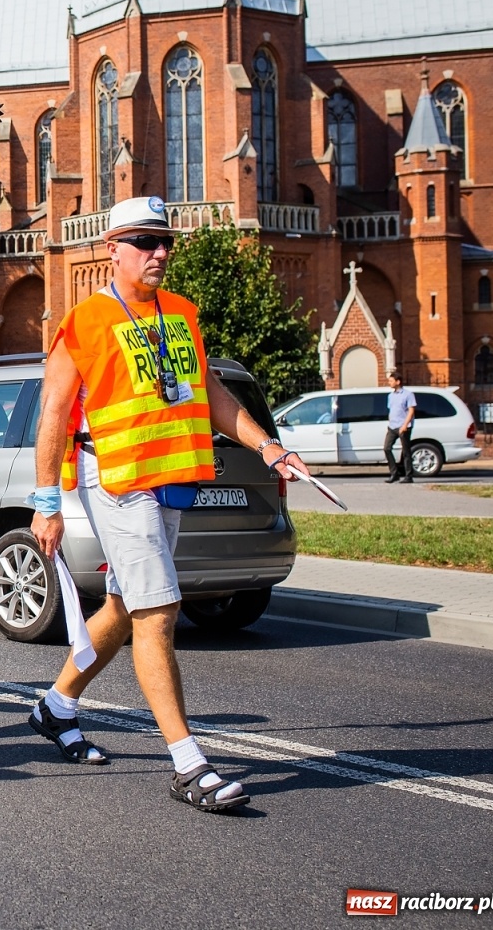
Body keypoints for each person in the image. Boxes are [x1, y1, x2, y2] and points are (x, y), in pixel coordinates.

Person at [28, 195, 308, 813]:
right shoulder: (85, 321)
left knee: (128, 607)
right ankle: (189, 764)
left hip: (174, 480)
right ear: (112, 250)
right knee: (160, 611)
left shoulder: (181, 311)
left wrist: (267, 445)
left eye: (165, 242)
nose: (159, 253)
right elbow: (52, 413)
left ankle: (56, 706)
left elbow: (208, 390)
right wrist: (45, 501)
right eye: (144, 242)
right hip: (118, 483)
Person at [384, 370, 417, 484]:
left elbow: (411, 410)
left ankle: (409, 475)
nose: (389, 383)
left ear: (398, 382)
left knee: (406, 451)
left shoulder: (408, 394)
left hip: (404, 426)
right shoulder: (391, 396)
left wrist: (405, 425)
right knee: (387, 448)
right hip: (392, 426)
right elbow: (391, 410)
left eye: (391, 381)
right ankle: (394, 473)